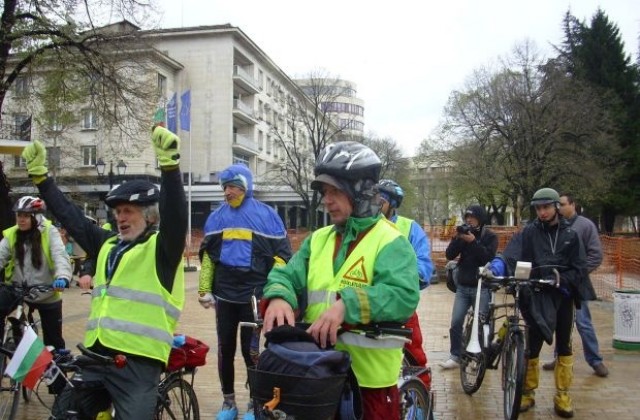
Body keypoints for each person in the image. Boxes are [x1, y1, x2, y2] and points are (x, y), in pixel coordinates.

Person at [21, 126, 188, 419]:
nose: (120, 218)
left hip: (138, 363)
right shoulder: (108, 244)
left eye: (128, 211)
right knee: (63, 412)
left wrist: (170, 168)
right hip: (96, 355)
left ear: (149, 215)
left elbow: (175, 216)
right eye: (117, 212)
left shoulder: (162, 249)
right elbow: (71, 217)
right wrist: (42, 179)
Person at [262, 141, 420, 420]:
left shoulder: (391, 241)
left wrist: (347, 305)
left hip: (368, 386)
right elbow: (287, 274)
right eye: (325, 192)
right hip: (317, 376)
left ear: (360, 191)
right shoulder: (319, 239)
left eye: (335, 191)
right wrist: (278, 296)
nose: (327, 199)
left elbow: (402, 295)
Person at [486, 187, 593, 418]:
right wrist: (498, 265)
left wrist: (561, 278)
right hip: (536, 295)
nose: (542, 212)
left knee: (564, 345)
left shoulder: (571, 235)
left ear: (556, 207)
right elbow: (511, 253)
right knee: (532, 346)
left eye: (546, 207)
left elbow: (580, 268)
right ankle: (527, 392)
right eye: (538, 208)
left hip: (562, 296)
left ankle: (563, 394)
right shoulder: (529, 232)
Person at [197, 163, 292, 420]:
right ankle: (228, 402)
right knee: (224, 350)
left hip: (253, 297)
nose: (227, 192)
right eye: (224, 187)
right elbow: (208, 257)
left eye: (233, 186)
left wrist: (273, 289)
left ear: (245, 187)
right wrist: (205, 288)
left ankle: (254, 402)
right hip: (225, 297)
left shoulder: (267, 216)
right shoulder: (216, 217)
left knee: (251, 353)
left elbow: (282, 257)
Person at [541, 193, 608, 377]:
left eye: (562, 204)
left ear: (573, 204)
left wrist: (578, 273)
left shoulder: (585, 226)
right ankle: (559, 357)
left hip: (576, 284)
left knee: (583, 322)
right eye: (558, 205)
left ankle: (595, 360)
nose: (560, 208)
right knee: (560, 323)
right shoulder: (554, 226)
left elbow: (596, 255)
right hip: (556, 283)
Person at [377, 178, 433, 386]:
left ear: (392, 204)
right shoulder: (363, 224)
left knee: (414, 354)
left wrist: (404, 279)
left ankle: (422, 402)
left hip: (399, 306)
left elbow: (424, 266)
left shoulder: (409, 228)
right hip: (366, 303)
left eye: (380, 201)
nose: (375, 205)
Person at [0, 196, 72, 352]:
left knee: (54, 342)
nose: (21, 219)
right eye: (19, 215)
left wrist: (62, 277)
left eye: (26, 216)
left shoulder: (49, 232)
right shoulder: (12, 234)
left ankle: (58, 372)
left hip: (47, 291)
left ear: (37, 216)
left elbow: (60, 255)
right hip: (18, 290)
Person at [439, 205, 497, 369]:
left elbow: (487, 258)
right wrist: (458, 238)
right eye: (467, 217)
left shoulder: (489, 236)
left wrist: (473, 242)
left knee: (481, 324)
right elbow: (449, 254)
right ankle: (455, 355)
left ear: (480, 218)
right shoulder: (462, 234)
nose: (469, 220)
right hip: (463, 287)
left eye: (472, 217)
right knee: (456, 322)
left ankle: (478, 357)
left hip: (482, 287)